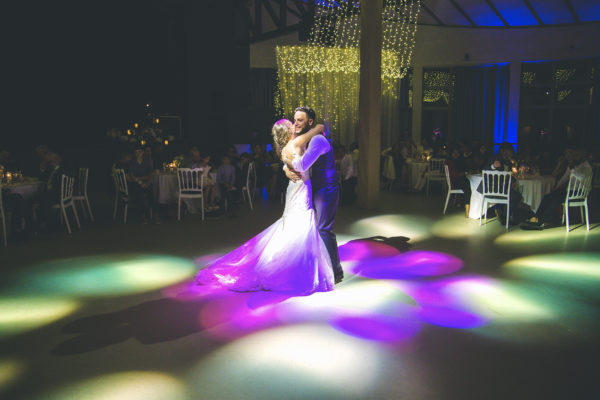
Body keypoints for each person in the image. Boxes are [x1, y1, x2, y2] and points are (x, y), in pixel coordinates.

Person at [196, 120, 333, 294]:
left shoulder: (284, 149)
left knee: (293, 225)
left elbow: (287, 159)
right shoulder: (297, 142)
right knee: (298, 224)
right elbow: (317, 130)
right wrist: (318, 127)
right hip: (300, 188)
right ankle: (291, 267)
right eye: (292, 124)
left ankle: (291, 263)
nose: (295, 125)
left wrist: (285, 167)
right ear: (288, 130)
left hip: (295, 188)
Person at [284, 106, 344, 284]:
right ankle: (321, 266)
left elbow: (302, 165)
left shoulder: (317, 140)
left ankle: (335, 271)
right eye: (294, 120)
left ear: (310, 122)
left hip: (326, 189)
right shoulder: (305, 139)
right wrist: (286, 169)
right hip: (313, 188)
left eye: (300, 120)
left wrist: (287, 161)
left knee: (324, 230)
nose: (295, 123)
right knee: (315, 230)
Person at [521, 147, 592, 230]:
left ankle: (541, 221)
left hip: (579, 192)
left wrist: (572, 170)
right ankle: (535, 218)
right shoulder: (573, 166)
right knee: (547, 197)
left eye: (576, 155)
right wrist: (556, 188)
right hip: (569, 191)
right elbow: (564, 178)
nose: (574, 157)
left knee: (556, 200)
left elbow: (582, 177)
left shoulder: (586, 166)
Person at [127, 146, 155, 223]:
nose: (137, 154)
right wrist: (140, 181)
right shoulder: (132, 162)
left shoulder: (146, 162)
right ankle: (143, 215)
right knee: (140, 193)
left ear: (142, 153)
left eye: (139, 152)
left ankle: (154, 214)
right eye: (136, 152)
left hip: (145, 181)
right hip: (136, 182)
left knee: (151, 191)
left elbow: (150, 174)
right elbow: (132, 176)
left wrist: (147, 182)